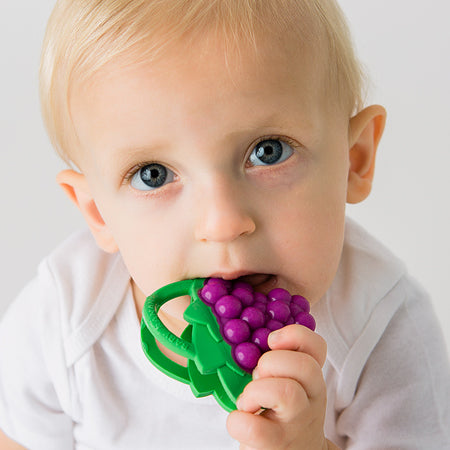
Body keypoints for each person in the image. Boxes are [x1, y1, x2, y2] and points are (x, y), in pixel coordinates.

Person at [1, 0, 449, 448]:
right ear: (98, 212)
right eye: (152, 174)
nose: (223, 223)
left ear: (354, 161)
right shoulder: (62, 320)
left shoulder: (382, 324)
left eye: (268, 151)